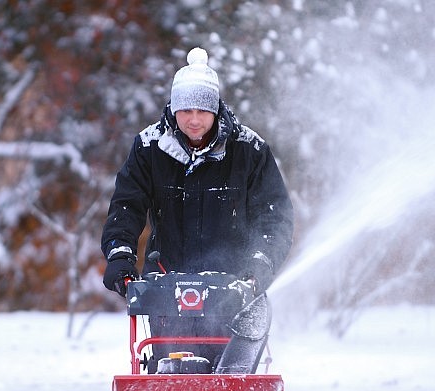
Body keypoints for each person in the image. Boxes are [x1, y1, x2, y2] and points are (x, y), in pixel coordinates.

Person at [101, 47, 294, 373]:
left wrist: (259, 265)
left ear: (216, 109)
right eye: (185, 109)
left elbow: (274, 216)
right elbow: (127, 205)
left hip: (235, 285)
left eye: (202, 110)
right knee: (175, 369)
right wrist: (120, 255)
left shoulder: (249, 149)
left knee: (230, 372)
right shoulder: (150, 148)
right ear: (174, 108)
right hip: (167, 282)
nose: (193, 119)